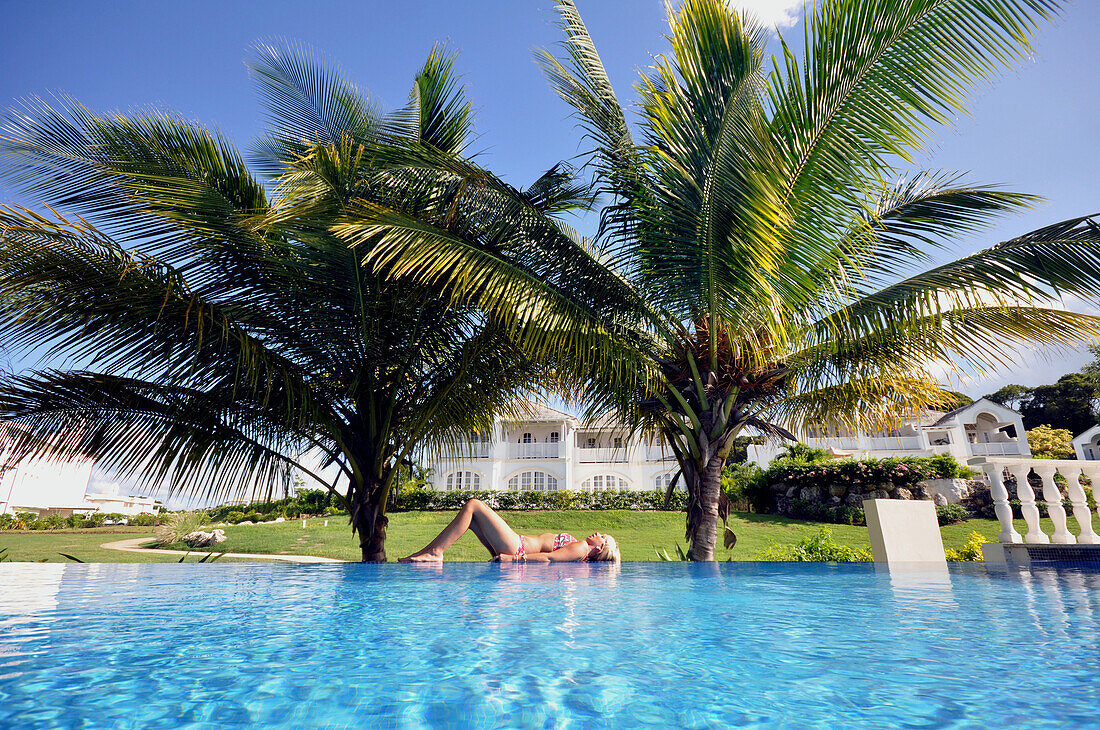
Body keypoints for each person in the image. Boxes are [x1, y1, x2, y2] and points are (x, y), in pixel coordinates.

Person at [398, 498, 620, 563]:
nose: (598, 532)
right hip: (517, 547)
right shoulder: (581, 554)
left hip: (517, 547)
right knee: (473, 520)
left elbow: (549, 558)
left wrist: (514, 559)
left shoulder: (582, 547)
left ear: (600, 547)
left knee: (474, 505)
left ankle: (435, 553)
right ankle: (426, 554)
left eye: (602, 536)